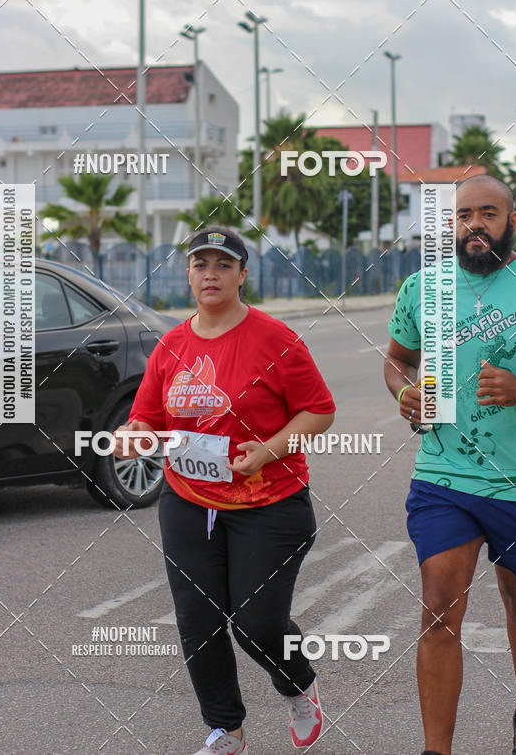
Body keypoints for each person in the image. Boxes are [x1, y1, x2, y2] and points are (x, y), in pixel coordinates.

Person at [113, 226, 336, 754]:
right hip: (188, 502)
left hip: (271, 503)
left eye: (222, 264)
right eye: (200, 264)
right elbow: (146, 416)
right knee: (198, 620)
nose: (210, 274)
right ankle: (226, 730)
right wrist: (132, 435)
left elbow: (319, 410)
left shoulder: (274, 338)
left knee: (256, 624)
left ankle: (298, 684)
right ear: (188, 275)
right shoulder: (172, 344)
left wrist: (267, 450)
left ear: (241, 274)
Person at [384, 175, 516, 755]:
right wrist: (404, 393)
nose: (474, 225)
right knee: (440, 603)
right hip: (444, 476)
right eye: (463, 215)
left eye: (488, 213)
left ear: (511, 221)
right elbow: (396, 360)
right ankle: (435, 750)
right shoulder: (423, 287)